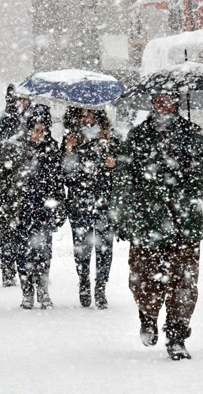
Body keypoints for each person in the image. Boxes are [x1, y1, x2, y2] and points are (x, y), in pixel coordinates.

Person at [112, 91, 203, 360]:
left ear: (178, 102)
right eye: (160, 99)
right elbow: (122, 178)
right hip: (146, 222)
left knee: (184, 282)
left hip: (184, 222)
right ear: (153, 102)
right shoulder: (137, 136)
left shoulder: (194, 134)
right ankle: (147, 316)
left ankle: (177, 336)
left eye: (170, 99)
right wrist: (123, 215)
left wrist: (192, 180)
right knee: (144, 279)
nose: (165, 104)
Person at [4, 105, 65, 309]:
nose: (38, 134)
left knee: (43, 252)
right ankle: (27, 291)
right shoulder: (19, 148)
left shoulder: (53, 149)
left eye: (42, 130)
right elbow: (7, 180)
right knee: (23, 253)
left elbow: (58, 182)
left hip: (43, 210)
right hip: (22, 209)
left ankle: (43, 290)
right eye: (35, 129)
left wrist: (58, 207)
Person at [62, 107, 118, 310]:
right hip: (79, 202)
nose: (88, 118)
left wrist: (114, 165)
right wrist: (68, 151)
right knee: (82, 248)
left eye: (91, 113)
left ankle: (101, 287)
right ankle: (84, 281)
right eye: (83, 114)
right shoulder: (71, 139)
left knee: (104, 248)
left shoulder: (110, 138)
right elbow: (65, 176)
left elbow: (122, 171)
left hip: (104, 201)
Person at [0, 84, 31, 287]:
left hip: (14, 182)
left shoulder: (27, 121)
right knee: (8, 226)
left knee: (15, 226)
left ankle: (13, 269)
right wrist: (4, 169)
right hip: (8, 182)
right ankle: (10, 270)